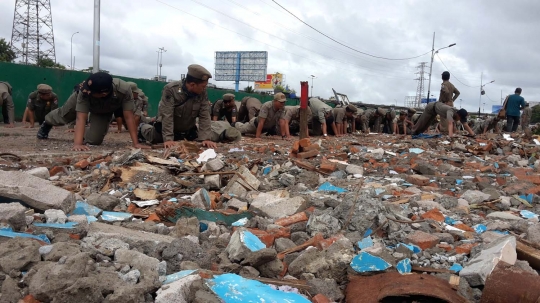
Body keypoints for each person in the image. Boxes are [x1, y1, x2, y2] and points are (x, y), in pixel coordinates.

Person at [37, 72, 147, 151]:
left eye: (91, 91)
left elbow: (128, 117)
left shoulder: (123, 89)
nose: (87, 91)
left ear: (103, 93)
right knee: (65, 115)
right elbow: (81, 117)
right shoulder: (84, 92)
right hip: (80, 101)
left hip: (104, 109)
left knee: (94, 140)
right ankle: (47, 122)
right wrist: (77, 144)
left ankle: (82, 134)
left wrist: (136, 143)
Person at [138, 64, 216, 148]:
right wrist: (168, 139)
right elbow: (167, 114)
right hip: (166, 129)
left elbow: (205, 115)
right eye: (203, 86)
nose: (205, 89)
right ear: (192, 85)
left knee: (191, 143)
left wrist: (206, 138)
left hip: (186, 131)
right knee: (154, 138)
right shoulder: (171, 89)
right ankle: (143, 127)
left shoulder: (202, 93)